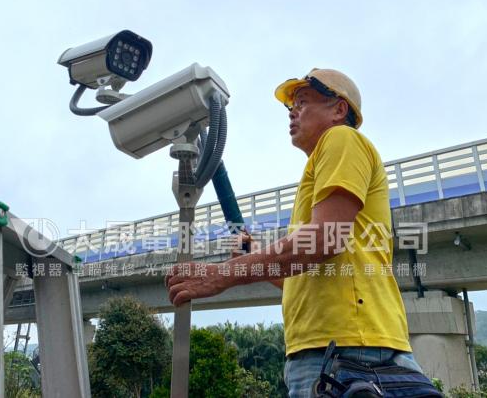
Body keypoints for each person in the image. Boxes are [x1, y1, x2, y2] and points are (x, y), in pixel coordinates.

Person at [165, 68, 424, 397]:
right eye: (290, 107)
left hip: (351, 352)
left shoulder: (342, 139)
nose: (292, 112)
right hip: (330, 351)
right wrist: (257, 258)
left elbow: (324, 239)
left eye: (302, 102)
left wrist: (220, 275)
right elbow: (301, 275)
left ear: (338, 109)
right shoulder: (319, 172)